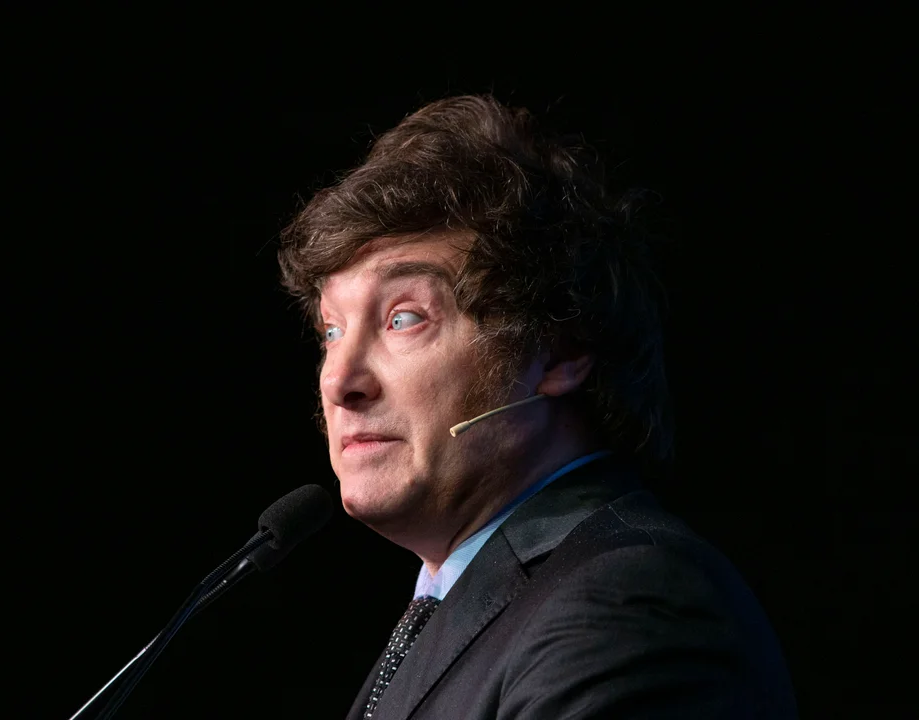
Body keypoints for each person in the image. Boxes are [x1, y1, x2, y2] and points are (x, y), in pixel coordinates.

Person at [278, 95, 796, 719]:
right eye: (332, 331)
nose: (340, 380)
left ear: (558, 352)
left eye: (403, 318)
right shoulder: (464, 601)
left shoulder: (626, 601)